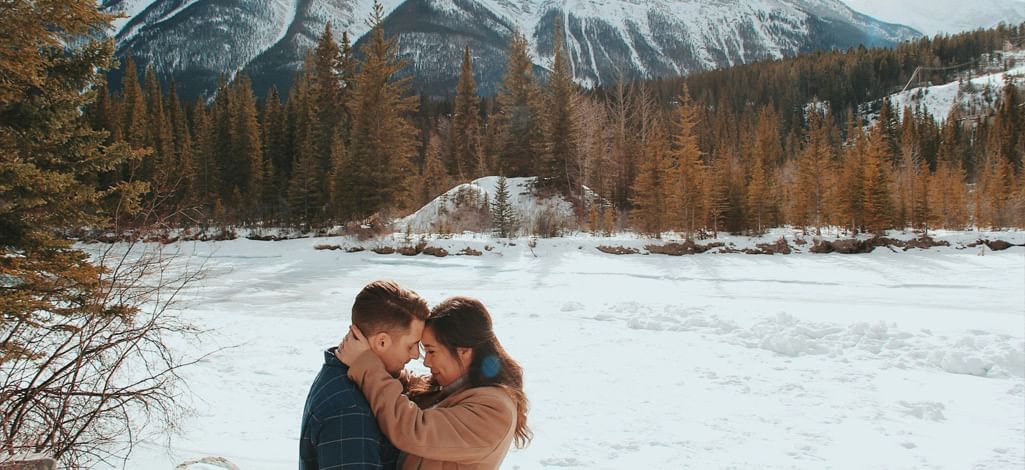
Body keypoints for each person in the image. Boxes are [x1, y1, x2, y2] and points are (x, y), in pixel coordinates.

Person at [338, 296, 532, 470]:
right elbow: (413, 385)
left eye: (431, 351)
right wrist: (385, 360)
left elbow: (412, 429)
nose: (425, 361)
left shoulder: (494, 411)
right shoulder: (455, 389)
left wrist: (366, 365)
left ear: (464, 351)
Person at [300, 280, 429, 470]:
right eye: (411, 345)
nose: (416, 355)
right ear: (382, 342)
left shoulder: (341, 372)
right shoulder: (349, 409)